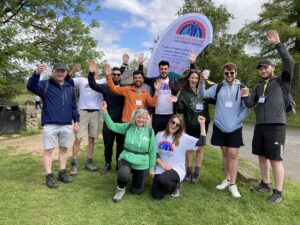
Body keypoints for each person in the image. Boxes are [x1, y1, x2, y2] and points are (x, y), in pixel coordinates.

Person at [241, 30, 295, 204]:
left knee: (275, 160)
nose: (263, 70)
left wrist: (278, 44)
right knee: (261, 156)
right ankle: (265, 183)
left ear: (273, 68)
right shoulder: (258, 87)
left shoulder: (282, 81)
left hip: (276, 126)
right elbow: (250, 104)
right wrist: (244, 95)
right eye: (261, 69)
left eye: (266, 67)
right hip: (260, 126)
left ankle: (278, 192)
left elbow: (289, 61)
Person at [199, 62, 249, 198]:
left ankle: (233, 184)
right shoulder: (218, 87)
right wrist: (202, 81)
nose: (229, 75)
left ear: (235, 73)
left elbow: (246, 108)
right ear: (223, 74)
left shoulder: (242, 88)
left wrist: (238, 120)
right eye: (226, 73)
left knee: (233, 154)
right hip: (220, 125)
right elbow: (202, 95)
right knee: (225, 153)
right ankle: (227, 179)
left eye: (231, 72)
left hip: (235, 126)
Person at [27, 63, 79, 189]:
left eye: (62, 71)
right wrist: (36, 74)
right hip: (50, 124)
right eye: (57, 71)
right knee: (49, 150)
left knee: (64, 149)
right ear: (53, 72)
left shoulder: (69, 87)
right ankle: (49, 176)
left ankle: (62, 172)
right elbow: (31, 86)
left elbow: (73, 106)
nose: (60, 73)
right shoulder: (45, 85)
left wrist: (76, 121)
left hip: (66, 125)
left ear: (66, 73)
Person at [101, 101, 156, 203]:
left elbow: (152, 151)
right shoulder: (128, 127)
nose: (141, 120)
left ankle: (134, 175)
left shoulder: (150, 131)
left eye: (144, 118)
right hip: (127, 158)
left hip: (142, 162)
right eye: (139, 117)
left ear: (147, 119)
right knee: (123, 173)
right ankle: (120, 189)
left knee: (136, 191)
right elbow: (112, 126)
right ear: (134, 117)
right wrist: (105, 112)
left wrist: (151, 168)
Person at [151, 114, 206, 200]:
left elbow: (201, 142)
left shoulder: (183, 138)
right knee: (157, 195)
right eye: (173, 122)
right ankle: (171, 186)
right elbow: (155, 153)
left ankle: (176, 185)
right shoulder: (159, 135)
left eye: (177, 125)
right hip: (161, 168)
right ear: (169, 122)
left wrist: (202, 124)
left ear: (180, 128)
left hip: (176, 169)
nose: (174, 125)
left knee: (162, 180)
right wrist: (163, 165)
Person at [141, 52, 196, 134]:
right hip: (157, 116)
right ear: (159, 69)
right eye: (162, 69)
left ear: (168, 69)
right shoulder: (154, 80)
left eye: (165, 69)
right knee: (156, 137)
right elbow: (141, 78)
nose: (163, 71)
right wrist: (140, 64)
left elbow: (189, 77)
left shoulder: (175, 81)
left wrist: (192, 64)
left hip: (171, 116)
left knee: (169, 137)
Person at [67, 63, 106, 176]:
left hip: (95, 112)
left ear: (98, 72)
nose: (95, 71)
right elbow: (67, 80)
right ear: (89, 70)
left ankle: (89, 162)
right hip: (83, 112)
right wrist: (72, 71)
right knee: (78, 138)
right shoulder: (82, 80)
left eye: (96, 70)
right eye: (92, 70)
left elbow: (113, 78)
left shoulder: (101, 82)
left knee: (92, 139)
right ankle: (74, 164)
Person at [88, 60, 125, 174]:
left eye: (118, 74)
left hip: (121, 122)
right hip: (109, 121)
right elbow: (93, 84)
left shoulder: (124, 88)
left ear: (120, 76)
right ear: (110, 75)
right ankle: (107, 163)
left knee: (121, 144)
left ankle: (119, 163)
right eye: (114, 74)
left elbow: (139, 82)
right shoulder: (105, 87)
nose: (116, 76)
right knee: (108, 143)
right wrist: (91, 74)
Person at [177, 70, 211, 183]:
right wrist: (176, 101)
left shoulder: (203, 91)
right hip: (190, 124)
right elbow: (180, 109)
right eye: (192, 78)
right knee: (190, 148)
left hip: (203, 124)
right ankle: (189, 171)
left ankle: (196, 173)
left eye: (197, 78)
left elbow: (215, 98)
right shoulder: (184, 93)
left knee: (200, 148)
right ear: (188, 79)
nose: (194, 80)